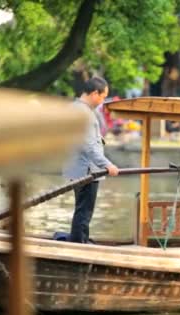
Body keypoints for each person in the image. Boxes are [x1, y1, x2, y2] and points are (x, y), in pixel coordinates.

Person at [63, 76, 119, 243]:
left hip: (77, 167)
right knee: (84, 211)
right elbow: (88, 145)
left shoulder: (75, 108)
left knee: (82, 209)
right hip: (86, 169)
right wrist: (107, 164)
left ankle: (80, 241)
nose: (102, 101)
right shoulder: (83, 113)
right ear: (95, 93)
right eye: (103, 97)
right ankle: (79, 245)